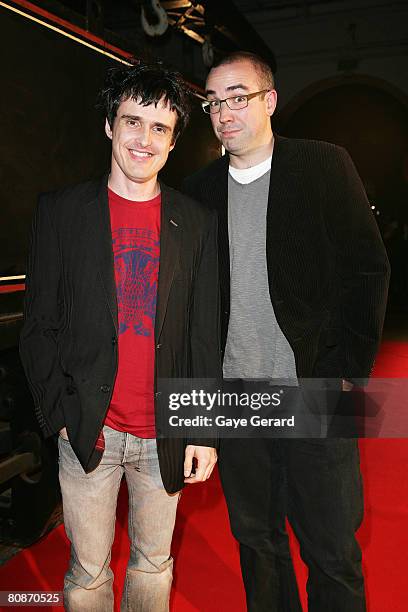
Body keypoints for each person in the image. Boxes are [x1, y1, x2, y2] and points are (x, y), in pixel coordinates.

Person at [183, 51, 390, 611]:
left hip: (317, 388)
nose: (225, 111)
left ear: (269, 101)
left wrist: (349, 374)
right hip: (237, 399)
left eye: (238, 96)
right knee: (257, 542)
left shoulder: (324, 164)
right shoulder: (198, 191)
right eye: (213, 101)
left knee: (332, 550)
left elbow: (368, 269)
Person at [19, 62, 219, 612]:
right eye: (133, 121)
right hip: (89, 428)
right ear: (110, 126)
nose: (144, 138)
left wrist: (202, 427)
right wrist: (59, 414)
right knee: (88, 572)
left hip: (166, 431)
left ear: (174, 141)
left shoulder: (197, 222)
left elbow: (204, 334)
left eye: (160, 128)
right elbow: (39, 326)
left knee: (154, 566)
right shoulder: (61, 213)